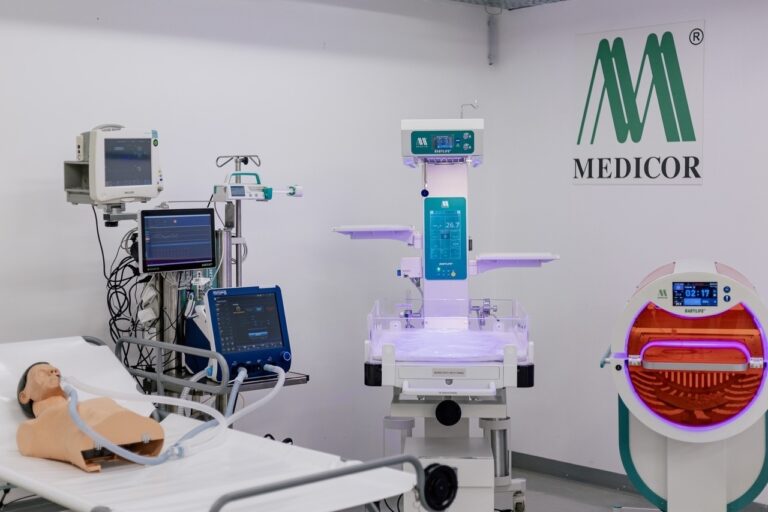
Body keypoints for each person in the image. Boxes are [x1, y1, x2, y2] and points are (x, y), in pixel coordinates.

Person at [16, 362, 164, 472]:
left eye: (54, 370)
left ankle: (123, 431)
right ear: (24, 396)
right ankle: (117, 430)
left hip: (83, 417)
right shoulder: (38, 425)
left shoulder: (78, 405)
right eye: (42, 373)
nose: (53, 371)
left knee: (104, 402)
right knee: (90, 412)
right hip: (70, 424)